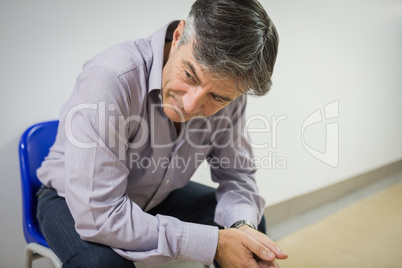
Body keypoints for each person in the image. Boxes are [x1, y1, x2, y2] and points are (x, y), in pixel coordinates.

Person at [36, 0, 288, 267]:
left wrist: (241, 227)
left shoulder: (232, 97)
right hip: (75, 200)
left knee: (250, 226)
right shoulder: (110, 78)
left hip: (156, 197)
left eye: (217, 96)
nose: (190, 106)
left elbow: (237, 176)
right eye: (190, 75)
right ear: (179, 35)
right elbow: (100, 215)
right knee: (102, 264)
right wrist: (213, 243)